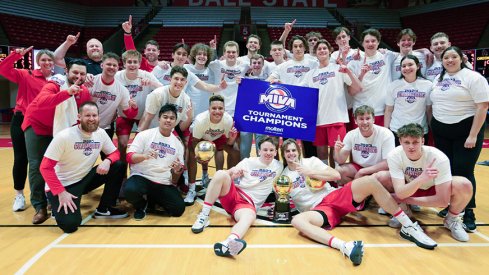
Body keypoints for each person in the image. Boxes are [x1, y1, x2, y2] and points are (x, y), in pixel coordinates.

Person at [280, 139, 437, 265]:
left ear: (299, 150)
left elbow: (335, 175)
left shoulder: (311, 161)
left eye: (294, 150)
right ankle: (345, 247)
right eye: (287, 151)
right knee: (297, 220)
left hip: (334, 196)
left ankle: (407, 225)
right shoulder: (283, 177)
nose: (291, 153)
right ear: (283, 154)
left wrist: (310, 172)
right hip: (320, 210)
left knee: (370, 181)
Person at [40, 102, 128, 233]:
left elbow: (115, 153)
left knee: (118, 165)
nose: (92, 119)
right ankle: (55, 204)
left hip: (85, 179)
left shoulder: (101, 134)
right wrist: (61, 193)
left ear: (99, 117)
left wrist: (108, 161)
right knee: (70, 225)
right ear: (79, 117)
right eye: (87, 115)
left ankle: (104, 209)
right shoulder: (64, 136)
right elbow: (45, 168)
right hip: (63, 185)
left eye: (94, 115)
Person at [376, 123, 473, 242]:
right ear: (400, 141)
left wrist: (402, 199)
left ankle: (451, 219)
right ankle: (404, 213)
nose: (411, 146)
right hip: (410, 188)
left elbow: (442, 201)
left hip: (432, 189)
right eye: (407, 142)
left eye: (415, 142)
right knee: (381, 177)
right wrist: (421, 178)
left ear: (422, 141)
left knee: (464, 184)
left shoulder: (438, 157)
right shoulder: (394, 155)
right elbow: (400, 193)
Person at [22, 60, 91, 224]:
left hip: (62, 129)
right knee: (38, 164)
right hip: (39, 125)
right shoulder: (55, 83)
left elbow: (82, 116)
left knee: (62, 163)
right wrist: (67, 92)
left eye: (82, 74)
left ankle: (54, 196)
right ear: (67, 70)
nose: (78, 77)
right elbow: (41, 103)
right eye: (75, 72)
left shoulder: (85, 91)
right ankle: (40, 206)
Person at [191, 137, 283, 257]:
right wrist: (233, 176)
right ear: (259, 151)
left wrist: (278, 205)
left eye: (271, 150)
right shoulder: (248, 162)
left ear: (276, 152)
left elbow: (280, 185)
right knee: (220, 174)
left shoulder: (278, 166)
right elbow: (227, 174)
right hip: (233, 194)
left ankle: (229, 243)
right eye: (265, 150)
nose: (268, 153)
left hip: (246, 205)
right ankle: (204, 216)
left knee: (250, 217)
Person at [430, 46, 489, 232]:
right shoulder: (438, 79)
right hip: (442, 131)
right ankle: (452, 207)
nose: (449, 60)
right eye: (446, 57)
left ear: (461, 58)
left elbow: (482, 107)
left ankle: (468, 211)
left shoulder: (473, 78)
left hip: (465, 131)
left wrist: (473, 135)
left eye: (453, 56)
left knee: (464, 171)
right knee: (447, 171)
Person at [0, 46, 54, 212]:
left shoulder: (55, 81)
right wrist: (15, 56)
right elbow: (3, 69)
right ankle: (19, 195)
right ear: (38, 62)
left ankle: (46, 193)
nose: (46, 62)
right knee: (21, 158)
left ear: (53, 63)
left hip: (44, 123)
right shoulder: (26, 74)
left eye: (49, 60)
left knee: (45, 160)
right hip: (21, 119)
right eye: (43, 59)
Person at [300, 39, 362, 166]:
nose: (322, 51)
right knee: (321, 153)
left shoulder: (339, 69)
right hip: (318, 119)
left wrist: (349, 72)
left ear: (329, 51)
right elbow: (299, 92)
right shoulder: (310, 74)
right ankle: (325, 182)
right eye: (319, 49)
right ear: (315, 53)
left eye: (324, 48)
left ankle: (337, 181)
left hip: (337, 117)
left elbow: (358, 87)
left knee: (337, 154)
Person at [124, 104, 186, 220]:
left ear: (175, 121)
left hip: (162, 181)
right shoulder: (145, 135)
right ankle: (141, 205)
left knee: (178, 209)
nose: (168, 120)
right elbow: (129, 157)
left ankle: (151, 201)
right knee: (129, 190)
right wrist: (144, 156)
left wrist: (177, 170)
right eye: (165, 117)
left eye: (172, 118)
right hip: (142, 176)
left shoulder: (177, 144)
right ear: (159, 119)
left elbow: (178, 172)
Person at [185, 95, 239, 205]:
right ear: (209, 109)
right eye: (214, 108)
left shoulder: (228, 120)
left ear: (224, 109)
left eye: (220, 108)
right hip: (200, 138)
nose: (217, 111)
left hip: (217, 137)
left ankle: (229, 183)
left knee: (235, 151)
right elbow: (195, 142)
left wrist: (232, 139)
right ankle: (192, 189)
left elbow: (228, 143)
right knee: (191, 154)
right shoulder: (201, 120)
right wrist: (200, 157)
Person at [115, 50, 162, 172]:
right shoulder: (118, 76)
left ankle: (136, 173)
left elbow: (163, 89)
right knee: (123, 143)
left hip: (142, 116)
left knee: (139, 146)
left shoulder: (146, 75)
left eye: (135, 62)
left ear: (139, 63)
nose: (132, 64)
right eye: (129, 62)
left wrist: (151, 83)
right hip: (124, 114)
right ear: (124, 64)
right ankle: (121, 175)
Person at [334, 105, 395, 185]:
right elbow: (340, 161)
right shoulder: (351, 134)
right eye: (361, 119)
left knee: (385, 177)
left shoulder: (386, 134)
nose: (365, 122)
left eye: (368, 118)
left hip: (378, 169)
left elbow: (387, 163)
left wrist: (363, 171)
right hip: (358, 167)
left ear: (373, 119)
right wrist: (337, 151)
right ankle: (357, 193)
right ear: (355, 121)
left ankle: (366, 192)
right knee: (339, 172)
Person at [349, 28, 397, 126]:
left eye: (373, 41)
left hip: (383, 111)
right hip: (361, 112)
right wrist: (361, 75)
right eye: (367, 41)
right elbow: (351, 92)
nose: (370, 44)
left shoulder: (387, 56)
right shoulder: (354, 62)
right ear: (362, 43)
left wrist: (425, 50)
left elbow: (406, 52)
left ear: (378, 42)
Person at [384, 54, 432, 146]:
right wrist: (386, 130)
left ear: (418, 66)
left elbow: (429, 110)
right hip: (397, 129)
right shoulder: (393, 85)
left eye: (410, 65)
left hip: (419, 130)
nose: (407, 68)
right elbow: (388, 110)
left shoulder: (427, 85)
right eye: (404, 66)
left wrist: (432, 128)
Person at [89, 52, 138, 140]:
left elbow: (129, 114)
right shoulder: (90, 82)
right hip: (86, 126)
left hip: (105, 128)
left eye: (114, 65)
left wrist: (134, 108)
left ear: (118, 68)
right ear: (102, 65)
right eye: (108, 64)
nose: (111, 67)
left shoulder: (122, 90)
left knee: (108, 154)